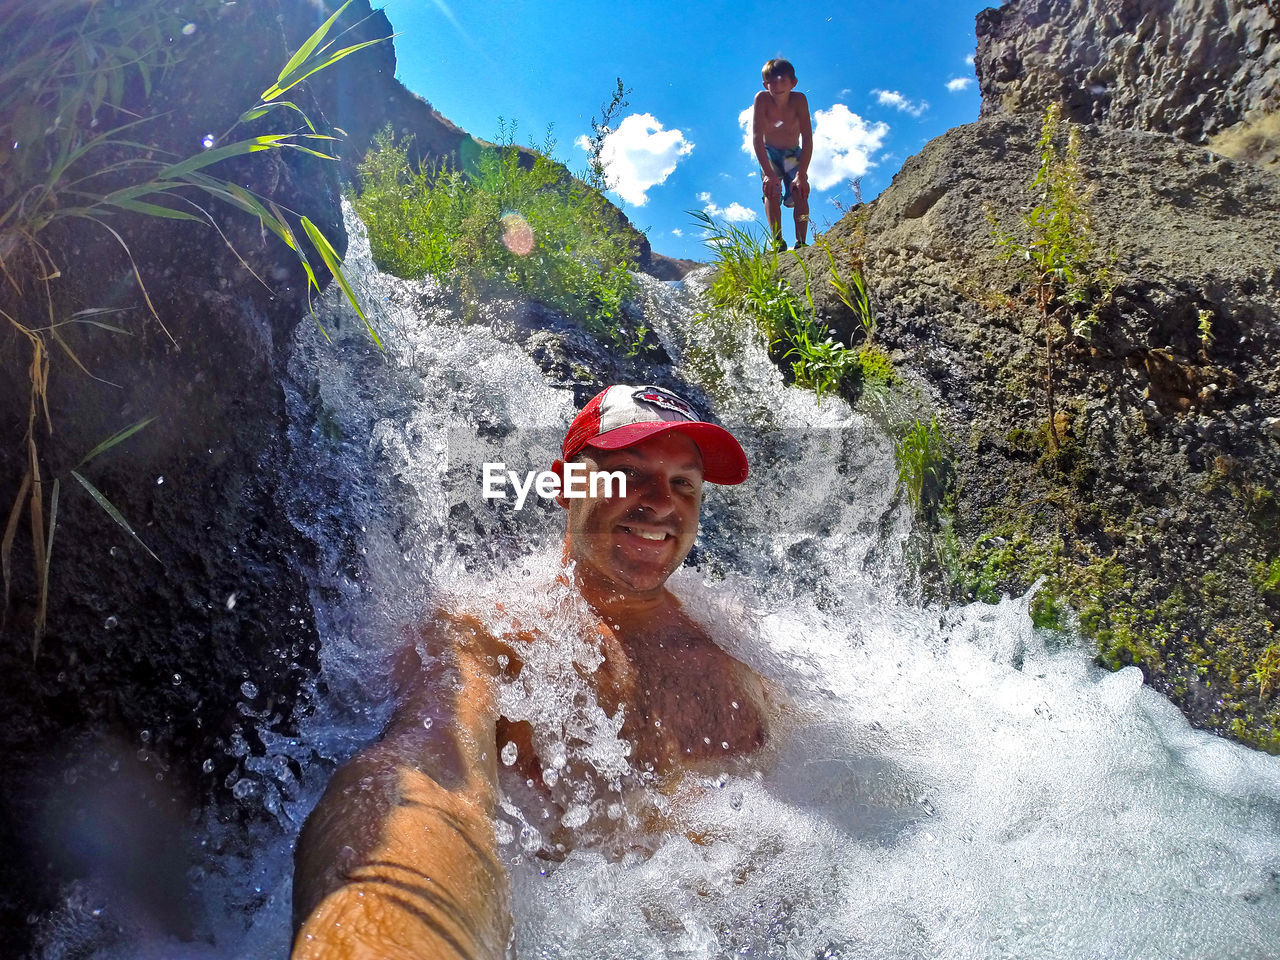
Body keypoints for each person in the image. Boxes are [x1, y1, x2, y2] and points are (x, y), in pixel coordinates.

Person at [291, 384, 769, 960]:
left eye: (683, 483)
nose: (660, 502)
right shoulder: (493, 633)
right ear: (567, 485)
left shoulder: (740, 639)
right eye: (627, 473)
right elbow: (429, 777)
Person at [752, 57, 813, 252]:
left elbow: (807, 138)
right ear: (765, 84)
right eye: (772, 81)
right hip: (769, 152)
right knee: (771, 191)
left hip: (792, 153)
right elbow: (756, 138)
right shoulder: (762, 99)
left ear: (793, 82)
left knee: (801, 193)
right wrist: (769, 174)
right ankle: (777, 241)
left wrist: (802, 174)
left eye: (783, 80)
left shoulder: (799, 100)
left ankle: (801, 241)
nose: (777, 85)